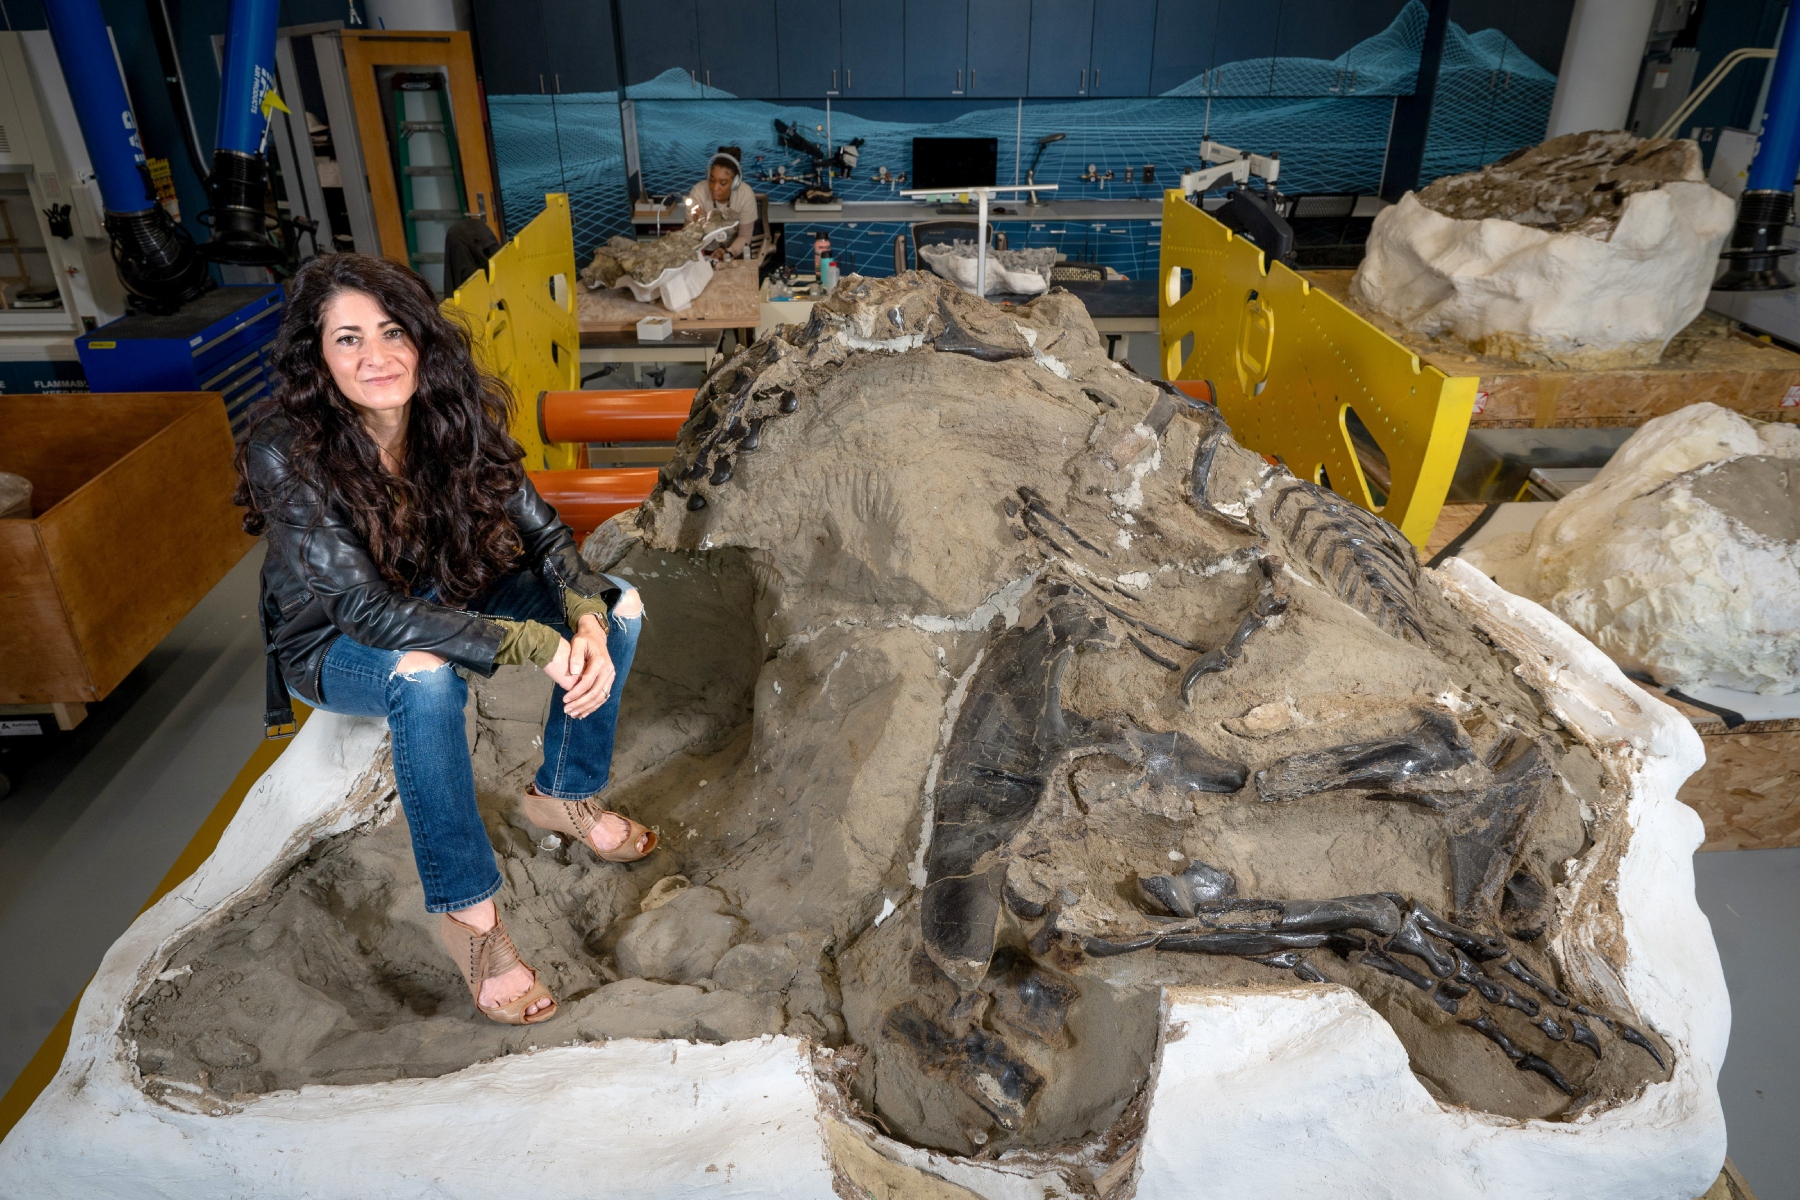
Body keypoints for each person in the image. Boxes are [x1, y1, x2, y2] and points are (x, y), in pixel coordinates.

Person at [235, 253, 652, 1028]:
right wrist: (535, 646)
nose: (376, 357)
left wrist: (584, 620)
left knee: (621, 605)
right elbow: (365, 610)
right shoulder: (285, 449)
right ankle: (472, 921)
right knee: (425, 677)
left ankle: (562, 792)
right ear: (318, 359)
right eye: (348, 339)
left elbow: (546, 537)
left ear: (422, 338)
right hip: (331, 638)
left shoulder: (449, 413)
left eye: (391, 332)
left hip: (445, 592)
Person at [686, 146, 758, 259]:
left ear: (735, 183)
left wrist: (728, 253)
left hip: (734, 252)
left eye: (723, 183)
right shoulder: (698, 193)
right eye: (712, 180)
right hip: (703, 253)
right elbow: (687, 239)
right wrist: (696, 225)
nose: (715, 188)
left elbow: (745, 236)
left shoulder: (745, 194)